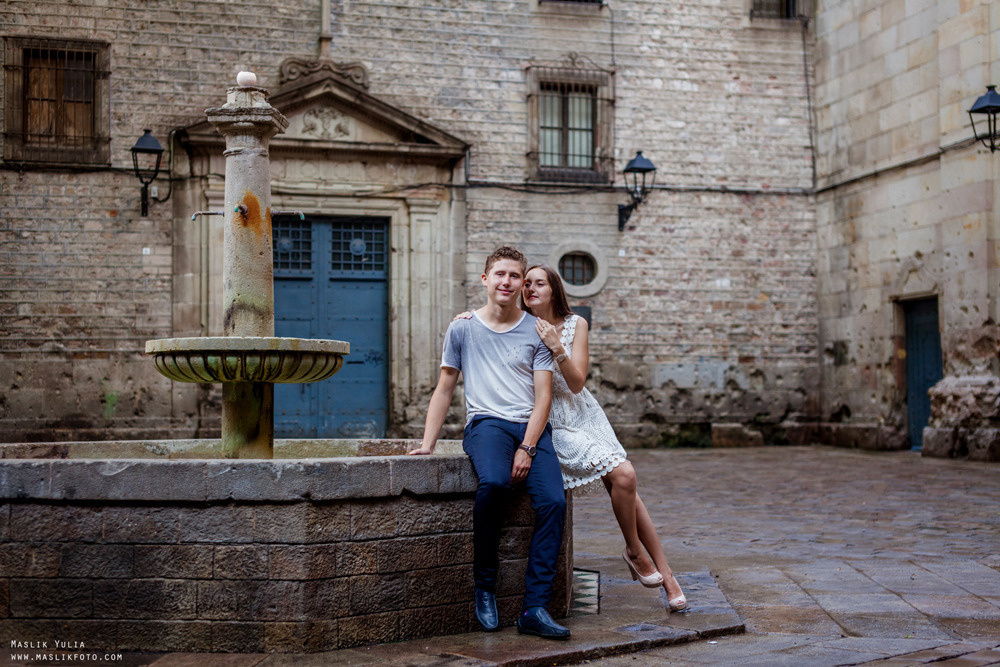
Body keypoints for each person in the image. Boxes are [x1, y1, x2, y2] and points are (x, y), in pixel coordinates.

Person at [409, 246, 571, 640]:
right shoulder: (463, 327)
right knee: (494, 483)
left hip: (530, 427)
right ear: (485, 279)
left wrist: (529, 446)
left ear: (521, 283)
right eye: (500, 274)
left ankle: (534, 607)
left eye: (515, 276)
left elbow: (544, 397)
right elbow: (445, 387)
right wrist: (428, 443)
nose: (507, 282)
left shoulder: (536, 330)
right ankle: (485, 588)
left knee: (553, 501)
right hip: (486, 426)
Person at [522, 265, 687, 611]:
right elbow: (489, 317)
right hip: (549, 421)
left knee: (624, 480)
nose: (530, 288)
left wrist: (557, 347)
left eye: (540, 283)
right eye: (527, 283)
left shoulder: (575, 325)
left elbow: (577, 382)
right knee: (622, 476)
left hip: (582, 415)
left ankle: (659, 568)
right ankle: (643, 558)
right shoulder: (518, 325)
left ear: (554, 290)